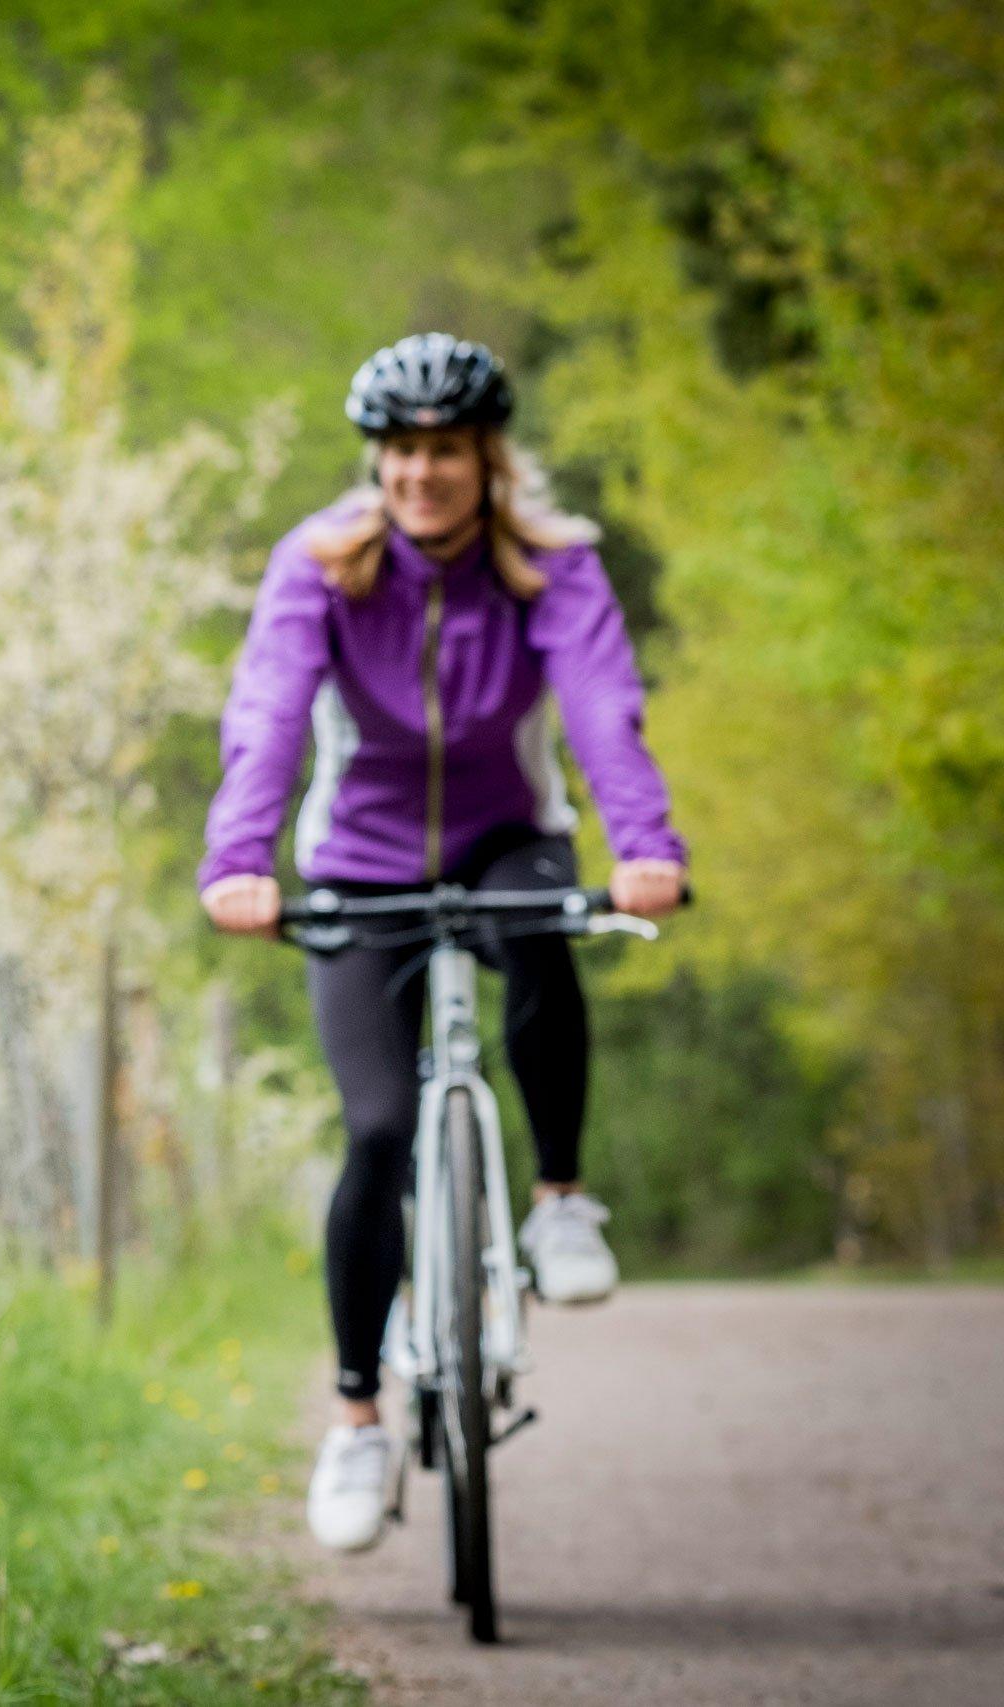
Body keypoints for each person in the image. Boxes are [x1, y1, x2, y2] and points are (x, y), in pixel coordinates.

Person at [197, 333, 687, 1554]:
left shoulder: (551, 570)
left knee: (540, 947)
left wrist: (643, 843)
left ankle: (560, 1202)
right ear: (380, 459)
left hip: (502, 835)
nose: (424, 474)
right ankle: (358, 1418)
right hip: (357, 857)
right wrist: (238, 861)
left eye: (447, 451)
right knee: (373, 1129)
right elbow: (266, 711)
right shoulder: (319, 565)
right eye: (403, 451)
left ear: (486, 458)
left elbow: (599, 706)